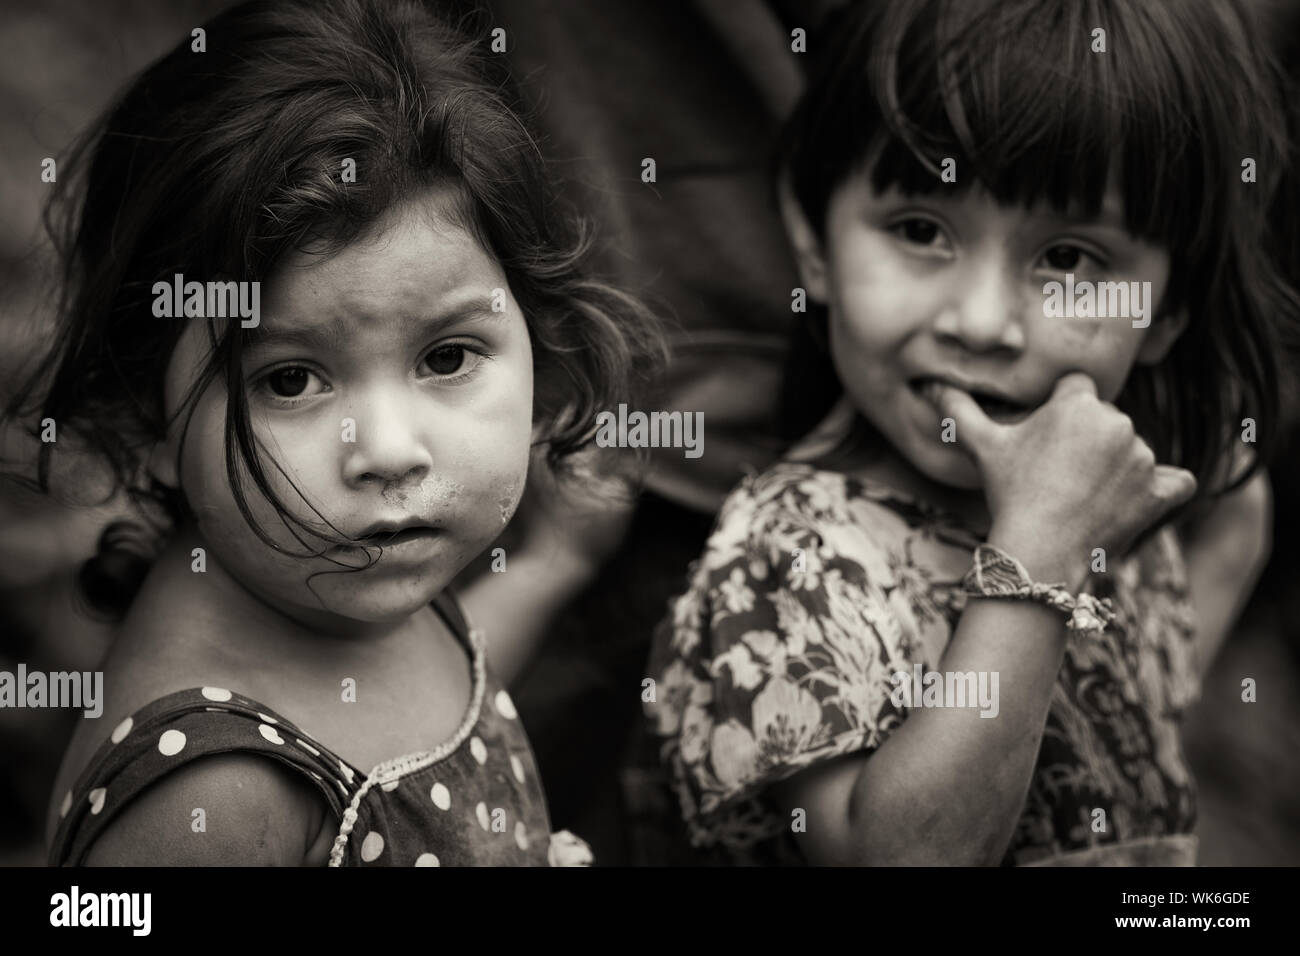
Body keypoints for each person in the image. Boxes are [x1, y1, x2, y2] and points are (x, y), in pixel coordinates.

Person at [3, 0, 659, 866]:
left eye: (448, 356)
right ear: (144, 413)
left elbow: (413, 720)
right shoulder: (210, 793)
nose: (389, 451)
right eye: (289, 380)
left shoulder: (349, 587)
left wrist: (548, 567)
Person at [645, 0, 1294, 865]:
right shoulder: (791, 555)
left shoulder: (1121, 521)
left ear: (1168, 306)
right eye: (920, 230)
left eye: (1068, 258)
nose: (984, 323)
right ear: (814, 244)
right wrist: (1040, 554)